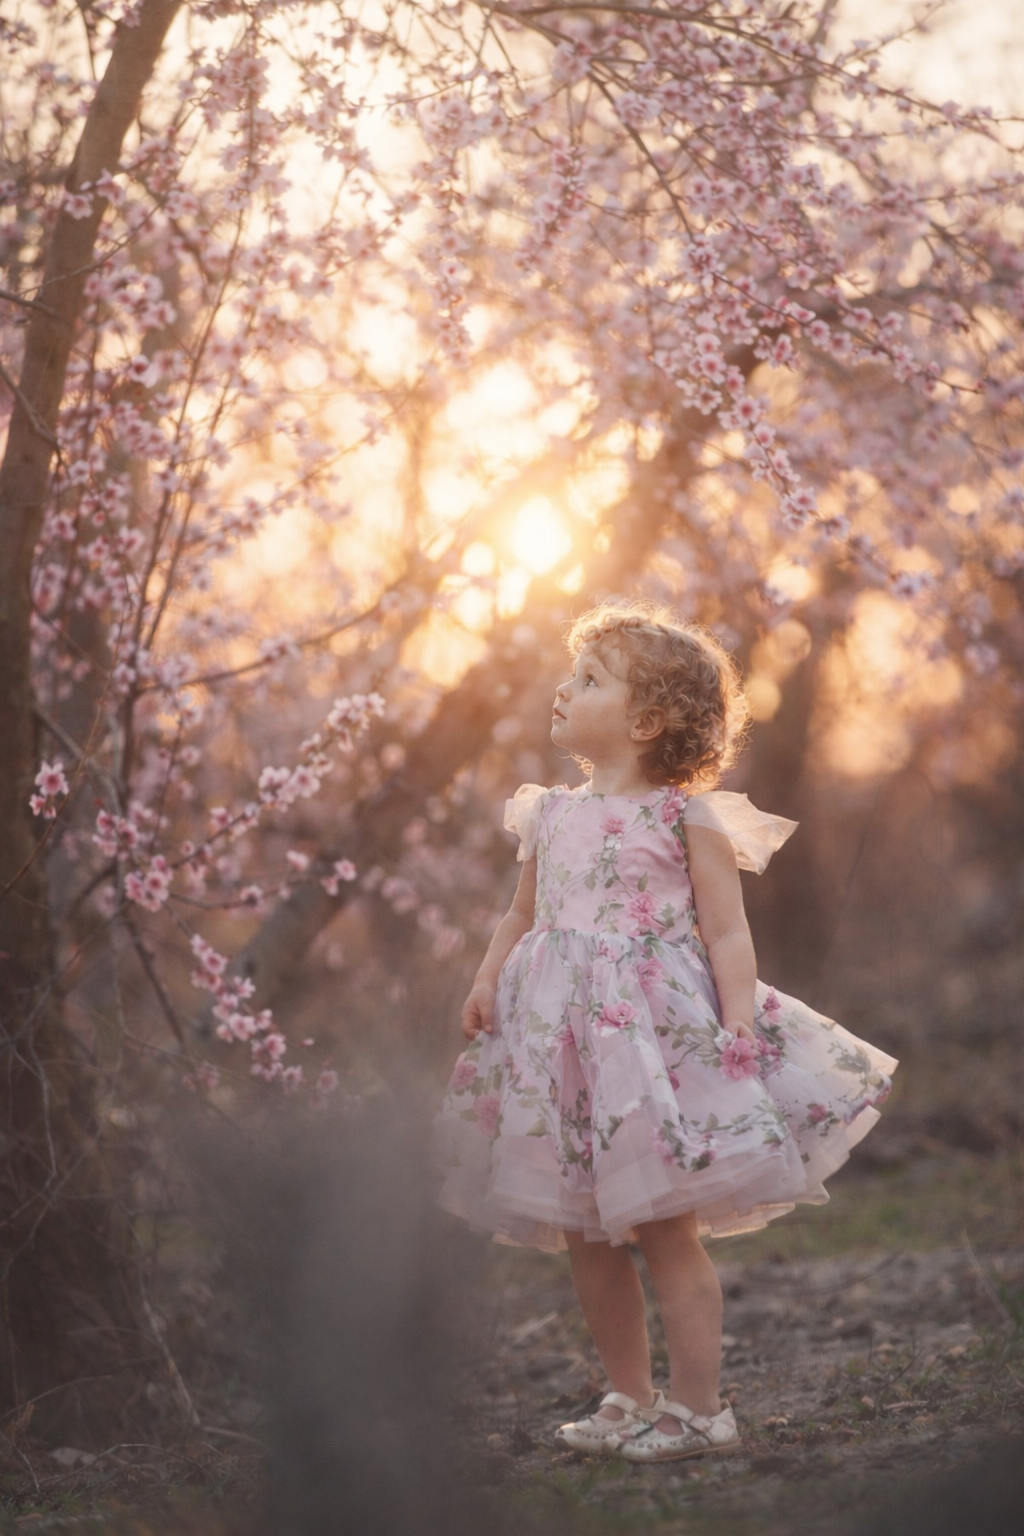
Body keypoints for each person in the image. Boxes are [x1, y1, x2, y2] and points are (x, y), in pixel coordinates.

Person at [433, 602, 896, 1463]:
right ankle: (629, 1395)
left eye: (590, 680)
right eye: (572, 675)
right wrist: (486, 979)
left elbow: (726, 931)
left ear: (645, 721)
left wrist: (736, 1016)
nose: (564, 689)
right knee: (584, 1233)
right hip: (560, 1047)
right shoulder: (548, 814)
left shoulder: (686, 819)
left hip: (650, 1049)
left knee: (664, 1225)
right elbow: (520, 915)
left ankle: (699, 1407)